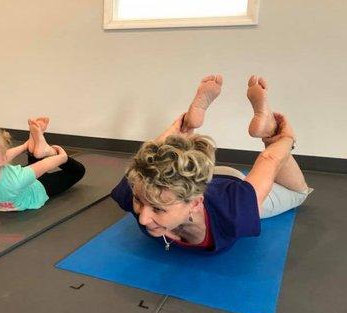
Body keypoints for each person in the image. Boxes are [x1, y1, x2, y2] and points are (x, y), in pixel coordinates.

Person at [111, 75, 311, 252]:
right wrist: (182, 125)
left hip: (228, 182)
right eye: (139, 201)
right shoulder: (135, 189)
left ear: (196, 204)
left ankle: (269, 131)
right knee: (156, 174)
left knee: (298, 193)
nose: (143, 218)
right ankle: (189, 125)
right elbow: (154, 156)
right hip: (190, 174)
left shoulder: (233, 210)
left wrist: (283, 138)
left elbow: (271, 159)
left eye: (158, 209)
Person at [0, 117, 85, 211]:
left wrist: (59, 156)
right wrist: (24, 146)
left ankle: (45, 150)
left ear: (1, 159)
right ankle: (32, 145)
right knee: (32, 164)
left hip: (38, 188)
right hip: (21, 179)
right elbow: (1, 157)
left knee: (79, 172)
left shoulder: (16, 180)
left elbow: (45, 165)